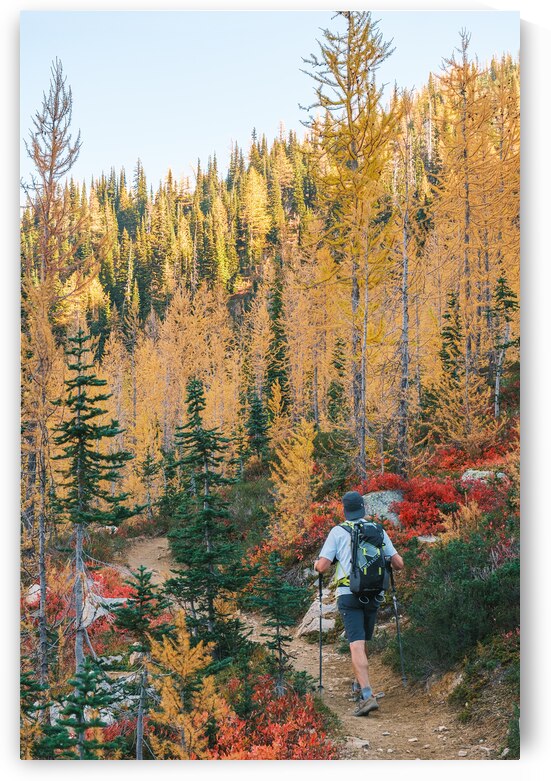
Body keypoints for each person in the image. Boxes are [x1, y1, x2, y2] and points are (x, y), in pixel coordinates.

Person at [314, 490, 404, 716]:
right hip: (374, 594)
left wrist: (316, 566)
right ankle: (357, 685)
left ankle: (366, 694)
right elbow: (399, 563)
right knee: (363, 641)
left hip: (349, 593)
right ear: (363, 508)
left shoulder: (338, 531)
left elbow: (323, 566)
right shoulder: (377, 530)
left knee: (355, 643)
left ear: (344, 510)